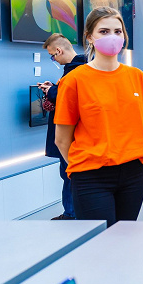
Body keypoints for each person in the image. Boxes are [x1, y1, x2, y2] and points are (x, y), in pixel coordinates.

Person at [54, 7, 143, 227]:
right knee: (101, 242)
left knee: (126, 238)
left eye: (118, 31)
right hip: (91, 176)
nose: (112, 37)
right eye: (104, 31)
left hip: (133, 174)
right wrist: (83, 169)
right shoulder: (74, 80)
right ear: (90, 36)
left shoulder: (137, 77)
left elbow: (138, 126)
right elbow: (61, 140)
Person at [39, 33, 86, 220]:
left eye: (52, 56)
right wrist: (54, 88)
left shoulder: (77, 70)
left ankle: (71, 214)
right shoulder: (77, 68)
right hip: (72, 135)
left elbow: (69, 97)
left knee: (69, 175)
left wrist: (52, 91)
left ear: (58, 51)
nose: (54, 60)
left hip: (70, 136)